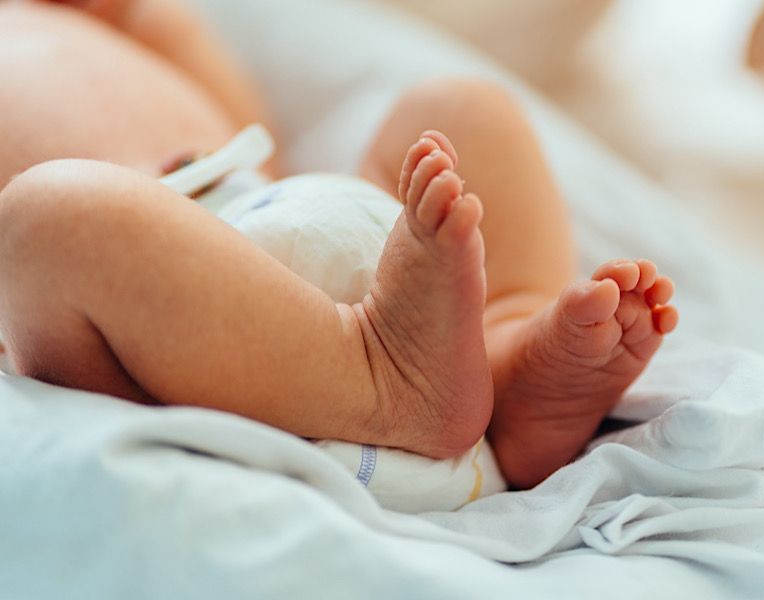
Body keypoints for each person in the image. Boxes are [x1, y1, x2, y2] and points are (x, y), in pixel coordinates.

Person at [0, 0, 678, 489]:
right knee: (45, 219)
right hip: (154, 328)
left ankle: (505, 353)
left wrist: (149, 22)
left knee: (461, 106)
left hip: (274, 210)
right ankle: (381, 382)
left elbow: (254, 130)